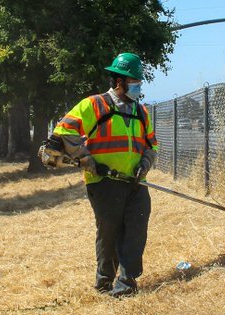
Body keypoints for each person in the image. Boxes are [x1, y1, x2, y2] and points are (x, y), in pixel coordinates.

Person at [43, 52, 158, 297]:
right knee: (109, 232)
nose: (138, 87)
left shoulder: (141, 112)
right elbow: (64, 130)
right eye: (135, 82)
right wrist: (87, 159)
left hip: (136, 182)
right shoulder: (94, 105)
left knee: (136, 231)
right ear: (120, 82)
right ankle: (105, 282)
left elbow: (152, 145)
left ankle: (127, 284)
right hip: (104, 182)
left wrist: (145, 164)